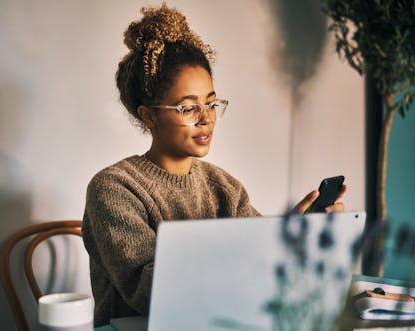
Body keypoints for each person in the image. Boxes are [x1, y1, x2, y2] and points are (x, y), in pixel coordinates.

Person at [82, 3, 346, 327]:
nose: (207, 119)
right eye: (188, 108)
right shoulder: (114, 189)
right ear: (148, 115)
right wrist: (258, 252)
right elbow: (152, 293)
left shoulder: (224, 187)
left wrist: (296, 237)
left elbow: (266, 269)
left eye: (211, 103)